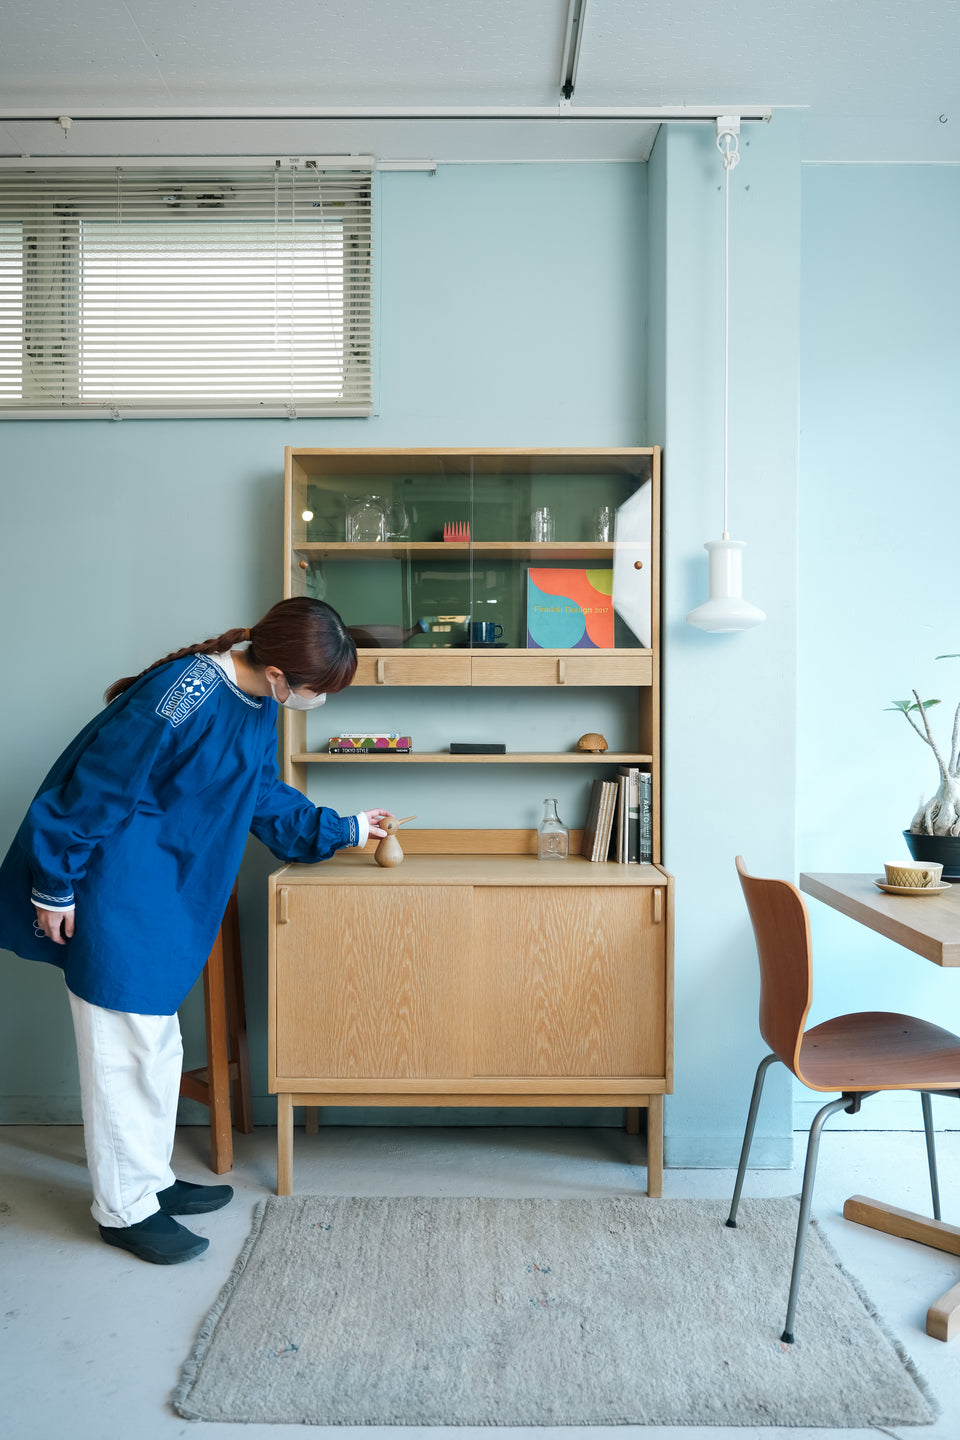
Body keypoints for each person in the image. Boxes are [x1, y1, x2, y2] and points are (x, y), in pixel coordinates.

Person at [0, 597, 391, 1265]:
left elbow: (257, 794)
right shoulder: (183, 693)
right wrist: (54, 883)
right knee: (120, 1054)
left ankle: (148, 1183)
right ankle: (122, 1210)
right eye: (314, 690)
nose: (314, 702)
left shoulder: (260, 702)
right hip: (115, 888)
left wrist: (344, 828)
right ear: (276, 671)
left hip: (167, 894)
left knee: (155, 1048)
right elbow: (96, 784)